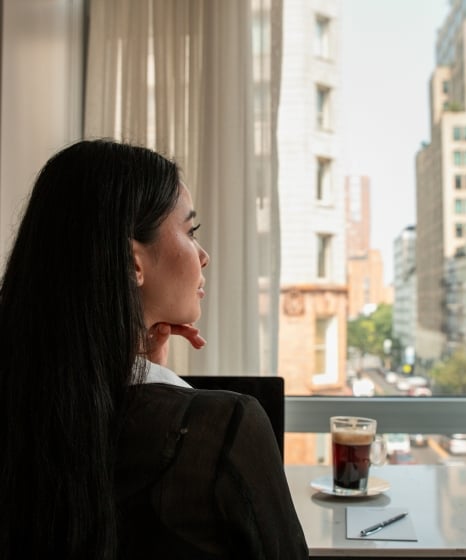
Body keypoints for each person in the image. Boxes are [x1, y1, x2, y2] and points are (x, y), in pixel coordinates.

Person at [0, 139, 308, 559]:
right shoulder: (224, 430)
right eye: (190, 231)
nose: (204, 256)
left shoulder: (29, 413)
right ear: (133, 264)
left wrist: (146, 369)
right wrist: (157, 384)